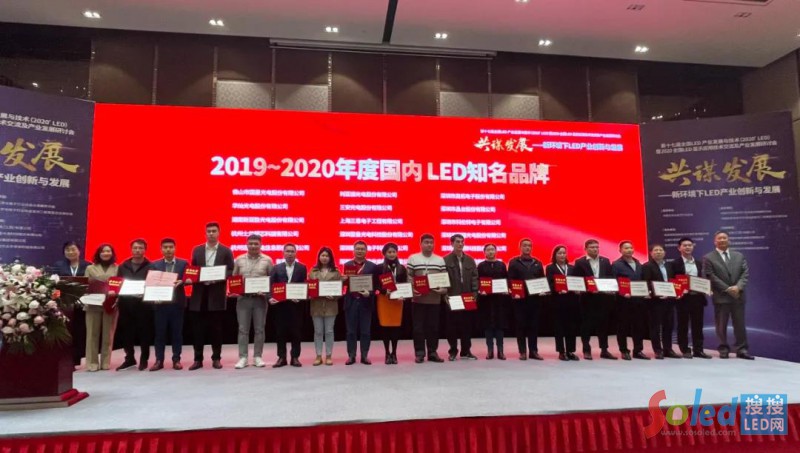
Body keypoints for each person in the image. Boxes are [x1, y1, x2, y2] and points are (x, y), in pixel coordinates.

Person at [188, 222, 235, 370]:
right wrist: (191, 277)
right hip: (199, 295)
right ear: (205, 233)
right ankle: (198, 360)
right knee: (198, 330)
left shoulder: (226, 251)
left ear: (219, 233)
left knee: (216, 330)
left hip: (216, 294)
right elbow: (193, 270)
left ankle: (216, 359)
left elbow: (231, 271)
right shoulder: (197, 250)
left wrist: (219, 276)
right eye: (208, 231)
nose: (211, 234)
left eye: (214, 231)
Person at [702, 231, 753, 360]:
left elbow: (745, 274)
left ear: (729, 240)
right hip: (721, 296)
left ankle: (742, 350)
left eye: (724, 238)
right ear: (715, 241)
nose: (722, 240)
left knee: (740, 325)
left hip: (738, 295)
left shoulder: (739, 255)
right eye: (719, 238)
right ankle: (723, 349)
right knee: (721, 325)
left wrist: (738, 287)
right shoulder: (708, 257)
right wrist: (727, 288)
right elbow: (710, 275)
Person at [232, 234, 273, 369]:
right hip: (243, 299)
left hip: (260, 300)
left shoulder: (267, 260)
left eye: (256, 244)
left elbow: (271, 281)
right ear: (247, 244)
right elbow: (234, 278)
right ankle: (243, 357)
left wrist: (266, 293)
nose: (253, 246)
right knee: (243, 329)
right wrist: (234, 290)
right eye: (251, 243)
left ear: (261, 245)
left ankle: (257, 356)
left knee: (259, 329)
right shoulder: (239, 259)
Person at [573, 239, 617, 360]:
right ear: (586, 249)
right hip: (587, 298)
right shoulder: (580, 262)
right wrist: (585, 288)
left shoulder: (605, 261)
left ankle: (604, 350)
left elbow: (610, 277)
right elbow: (577, 279)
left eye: (597, 247)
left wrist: (610, 288)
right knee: (586, 325)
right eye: (592, 247)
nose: (595, 249)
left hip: (603, 298)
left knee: (603, 325)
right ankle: (586, 350)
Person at [50, 241, 92, 368]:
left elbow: (91, 283)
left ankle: (77, 359)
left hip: (82, 303)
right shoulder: (58, 265)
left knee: (79, 331)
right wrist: (55, 300)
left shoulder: (87, 265)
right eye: (67, 250)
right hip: (65, 303)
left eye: (73, 249)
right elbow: (54, 284)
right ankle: (65, 359)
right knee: (66, 331)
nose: (71, 252)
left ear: (79, 251)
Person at [407, 233, 447, 363]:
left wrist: (443, 289)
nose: (429, 245)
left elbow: (444, 277)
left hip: (434, 300)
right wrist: (412, 289)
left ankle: (432, 352)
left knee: (433, 327)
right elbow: (409, 277)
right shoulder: (413, 258)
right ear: (421, 244)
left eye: (431, 242)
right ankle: (419, 353)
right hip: (418, 299)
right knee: (418, 328)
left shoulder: (440, 260)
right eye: (426, 242)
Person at [149, 238, 188, 371]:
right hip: (160, 304)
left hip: (177, 304)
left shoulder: (183, 263)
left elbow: (188, 279)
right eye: (165, 247)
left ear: (175, 248)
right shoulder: (155, 265)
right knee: (160, 334)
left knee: (177, 333)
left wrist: (183, 281)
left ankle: (176, 359)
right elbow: (151, 284)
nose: (168, 250)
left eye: (171, 247)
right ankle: (159, 360)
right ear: (161, 249)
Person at [670, 237, 711, 359]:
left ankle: (699, 350)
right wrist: (679, 290)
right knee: (682, 325)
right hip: (683, 299)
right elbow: (672, 281)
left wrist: (707, 288)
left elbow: (704, 279)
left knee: (698, 325)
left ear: (693, 247)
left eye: (690, 245)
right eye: (684, 245)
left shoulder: (699, 263)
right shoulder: (674, 264)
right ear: (679, 248)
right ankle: (685, 349)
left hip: (697, 298)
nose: (687, 247)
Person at [116, 239, 153, 371]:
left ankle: (144, 359)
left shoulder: (151, 266)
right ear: (131, 249)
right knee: (127, 333)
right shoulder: (123, 266)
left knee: (145, 333)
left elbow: (153, 285)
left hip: (144, 305)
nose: (137, 250)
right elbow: (118, 283)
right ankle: (129, 358)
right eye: (135, 248)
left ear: (145, 250)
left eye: (140, 248)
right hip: (126, 304)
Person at [269, 243, 307, 367]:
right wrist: (270, 298)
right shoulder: (276, 268)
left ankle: (295, 357)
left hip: (296, 306)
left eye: (292, 251)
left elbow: (304, 286)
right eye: (287, 251)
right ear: (283, 253)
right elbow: (270, 285)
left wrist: (301, 297)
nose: (290, 254)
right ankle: (282, 357)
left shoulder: (302, 268)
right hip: (280, 306)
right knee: (280, 332)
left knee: (296, 332)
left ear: (296, 253)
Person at [507, 238, 546, 361]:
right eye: (524, 245)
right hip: (520, 299)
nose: (527, 247)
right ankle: (522, 351)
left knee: (534, 326)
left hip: (534, 299)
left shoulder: (537, 262)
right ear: (520, 247)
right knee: (520, 325)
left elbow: (542, 280)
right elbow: (510, 280)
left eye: (529, 245)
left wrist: (543, 290)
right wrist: (514, 291)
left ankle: (533, 351)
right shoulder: (514, 262)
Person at [611, 240, 649, 361]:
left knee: (638, 326)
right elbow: (614, 282)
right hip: (623, 301)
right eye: (626, 248)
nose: (629, 250)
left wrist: (646, 291)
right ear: (620, 250)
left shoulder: (639, 263)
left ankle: (638, 350)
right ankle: (624, 350)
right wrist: (621, 292)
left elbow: (643, 281)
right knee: (623, 326)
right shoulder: (616, 265)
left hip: (638, 300)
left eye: (631, 248)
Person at [84, 244, 119, 372]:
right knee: (92, 335)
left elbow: (120, 284)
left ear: (112, 253)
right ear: (98, 254)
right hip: (93, 304)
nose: (105, 253)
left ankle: (105, 362)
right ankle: (92, 363)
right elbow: (85, 286)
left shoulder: (117, 268)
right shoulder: (90, 268)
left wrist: (116, 294)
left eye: (108, 251)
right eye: (103, 251)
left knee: (108, 335)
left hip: (110, 304)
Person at [342, 241, 378, 365]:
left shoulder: (372, 266)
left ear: (366, 251)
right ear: (353, 250)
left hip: (366, 302)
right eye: (358, 249)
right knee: (351, 331)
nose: (360, 251)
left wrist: (370, 293)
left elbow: (376, 284)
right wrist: (343, 280)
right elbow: (346, 284)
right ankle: (351, 356)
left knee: (365, 331)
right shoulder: (347, 265)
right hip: (351, 302)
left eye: (362, 249)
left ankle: (364, 355)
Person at [444, 234, 479, 361]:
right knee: (452, 327)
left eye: (462, 242)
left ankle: (466, 351)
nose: (460, 244)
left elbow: (475, 278)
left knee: (467, 326)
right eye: (457, 242)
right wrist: (445, 296)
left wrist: (475, 294)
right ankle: (453, 351)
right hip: (452, 297)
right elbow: (443, 279)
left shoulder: (470, 260)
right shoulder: (445, 260)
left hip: (468, 297)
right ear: (451, 243)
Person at [642, 244, 679, 360]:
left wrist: (676, 292)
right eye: (656, 250)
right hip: (655, 301)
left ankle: (668, 349)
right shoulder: (647, 266)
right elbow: (646, 282)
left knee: (668, 326)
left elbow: (674, 281)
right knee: (655, 327)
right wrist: (656, 293)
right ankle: (658, 350)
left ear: (664, 252)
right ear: (651, 253)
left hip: (669, 300)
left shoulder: (669, 265)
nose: (658, 252)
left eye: (660, 250)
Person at [546, 245, 581, 361]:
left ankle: (570, 351)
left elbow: (577, 282)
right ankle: (561, 352)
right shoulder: (550, 268)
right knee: (559, 327)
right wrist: (557, 289)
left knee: (571, 327)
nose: (562, 255)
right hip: (557, 301)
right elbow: (549, 283)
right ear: (555, 255)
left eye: (564, 253)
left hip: (571, 301)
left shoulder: (572, 268)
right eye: (559, 253)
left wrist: (578, 289)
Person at [375, 242, 408, 365]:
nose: (392, 254)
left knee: (395, 327)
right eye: (389, 252)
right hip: (384, 300)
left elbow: (405, 284)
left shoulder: (402, 268)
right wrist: (384, 291)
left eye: (394, 251)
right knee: (385, 327)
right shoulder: (379, 268)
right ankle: (386, 353)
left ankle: (394, 353)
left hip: (397, 301)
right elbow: (375, 284)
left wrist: (404, 294)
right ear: (384, 253)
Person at [308, 247, 341, 366]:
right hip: (316, 305)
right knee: (318, 331)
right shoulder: (313, 271)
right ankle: (318, 356)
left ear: (330, 258)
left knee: (329, 331)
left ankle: (328, 355)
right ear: (319, 257)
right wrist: (310, 293)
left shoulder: (336, 272)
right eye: (322, 255)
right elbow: (309, 288)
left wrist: (335, 296)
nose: (324, 258)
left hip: (331, 306)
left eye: (327, 256)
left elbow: (340, 289)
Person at [477, 243, 510, 360]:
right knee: (488, 325)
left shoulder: (501, 265)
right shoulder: (480, 266)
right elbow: (478, 281)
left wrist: (506, 289)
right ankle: (490, 351)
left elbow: (506, 279)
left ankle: (501, 351)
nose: (490, 252)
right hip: (486, 300)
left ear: (496, 251)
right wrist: (480, 290)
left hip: (499, 300)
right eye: (488, 250)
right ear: (484, 252)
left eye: (492, 249)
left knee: (499, 325)